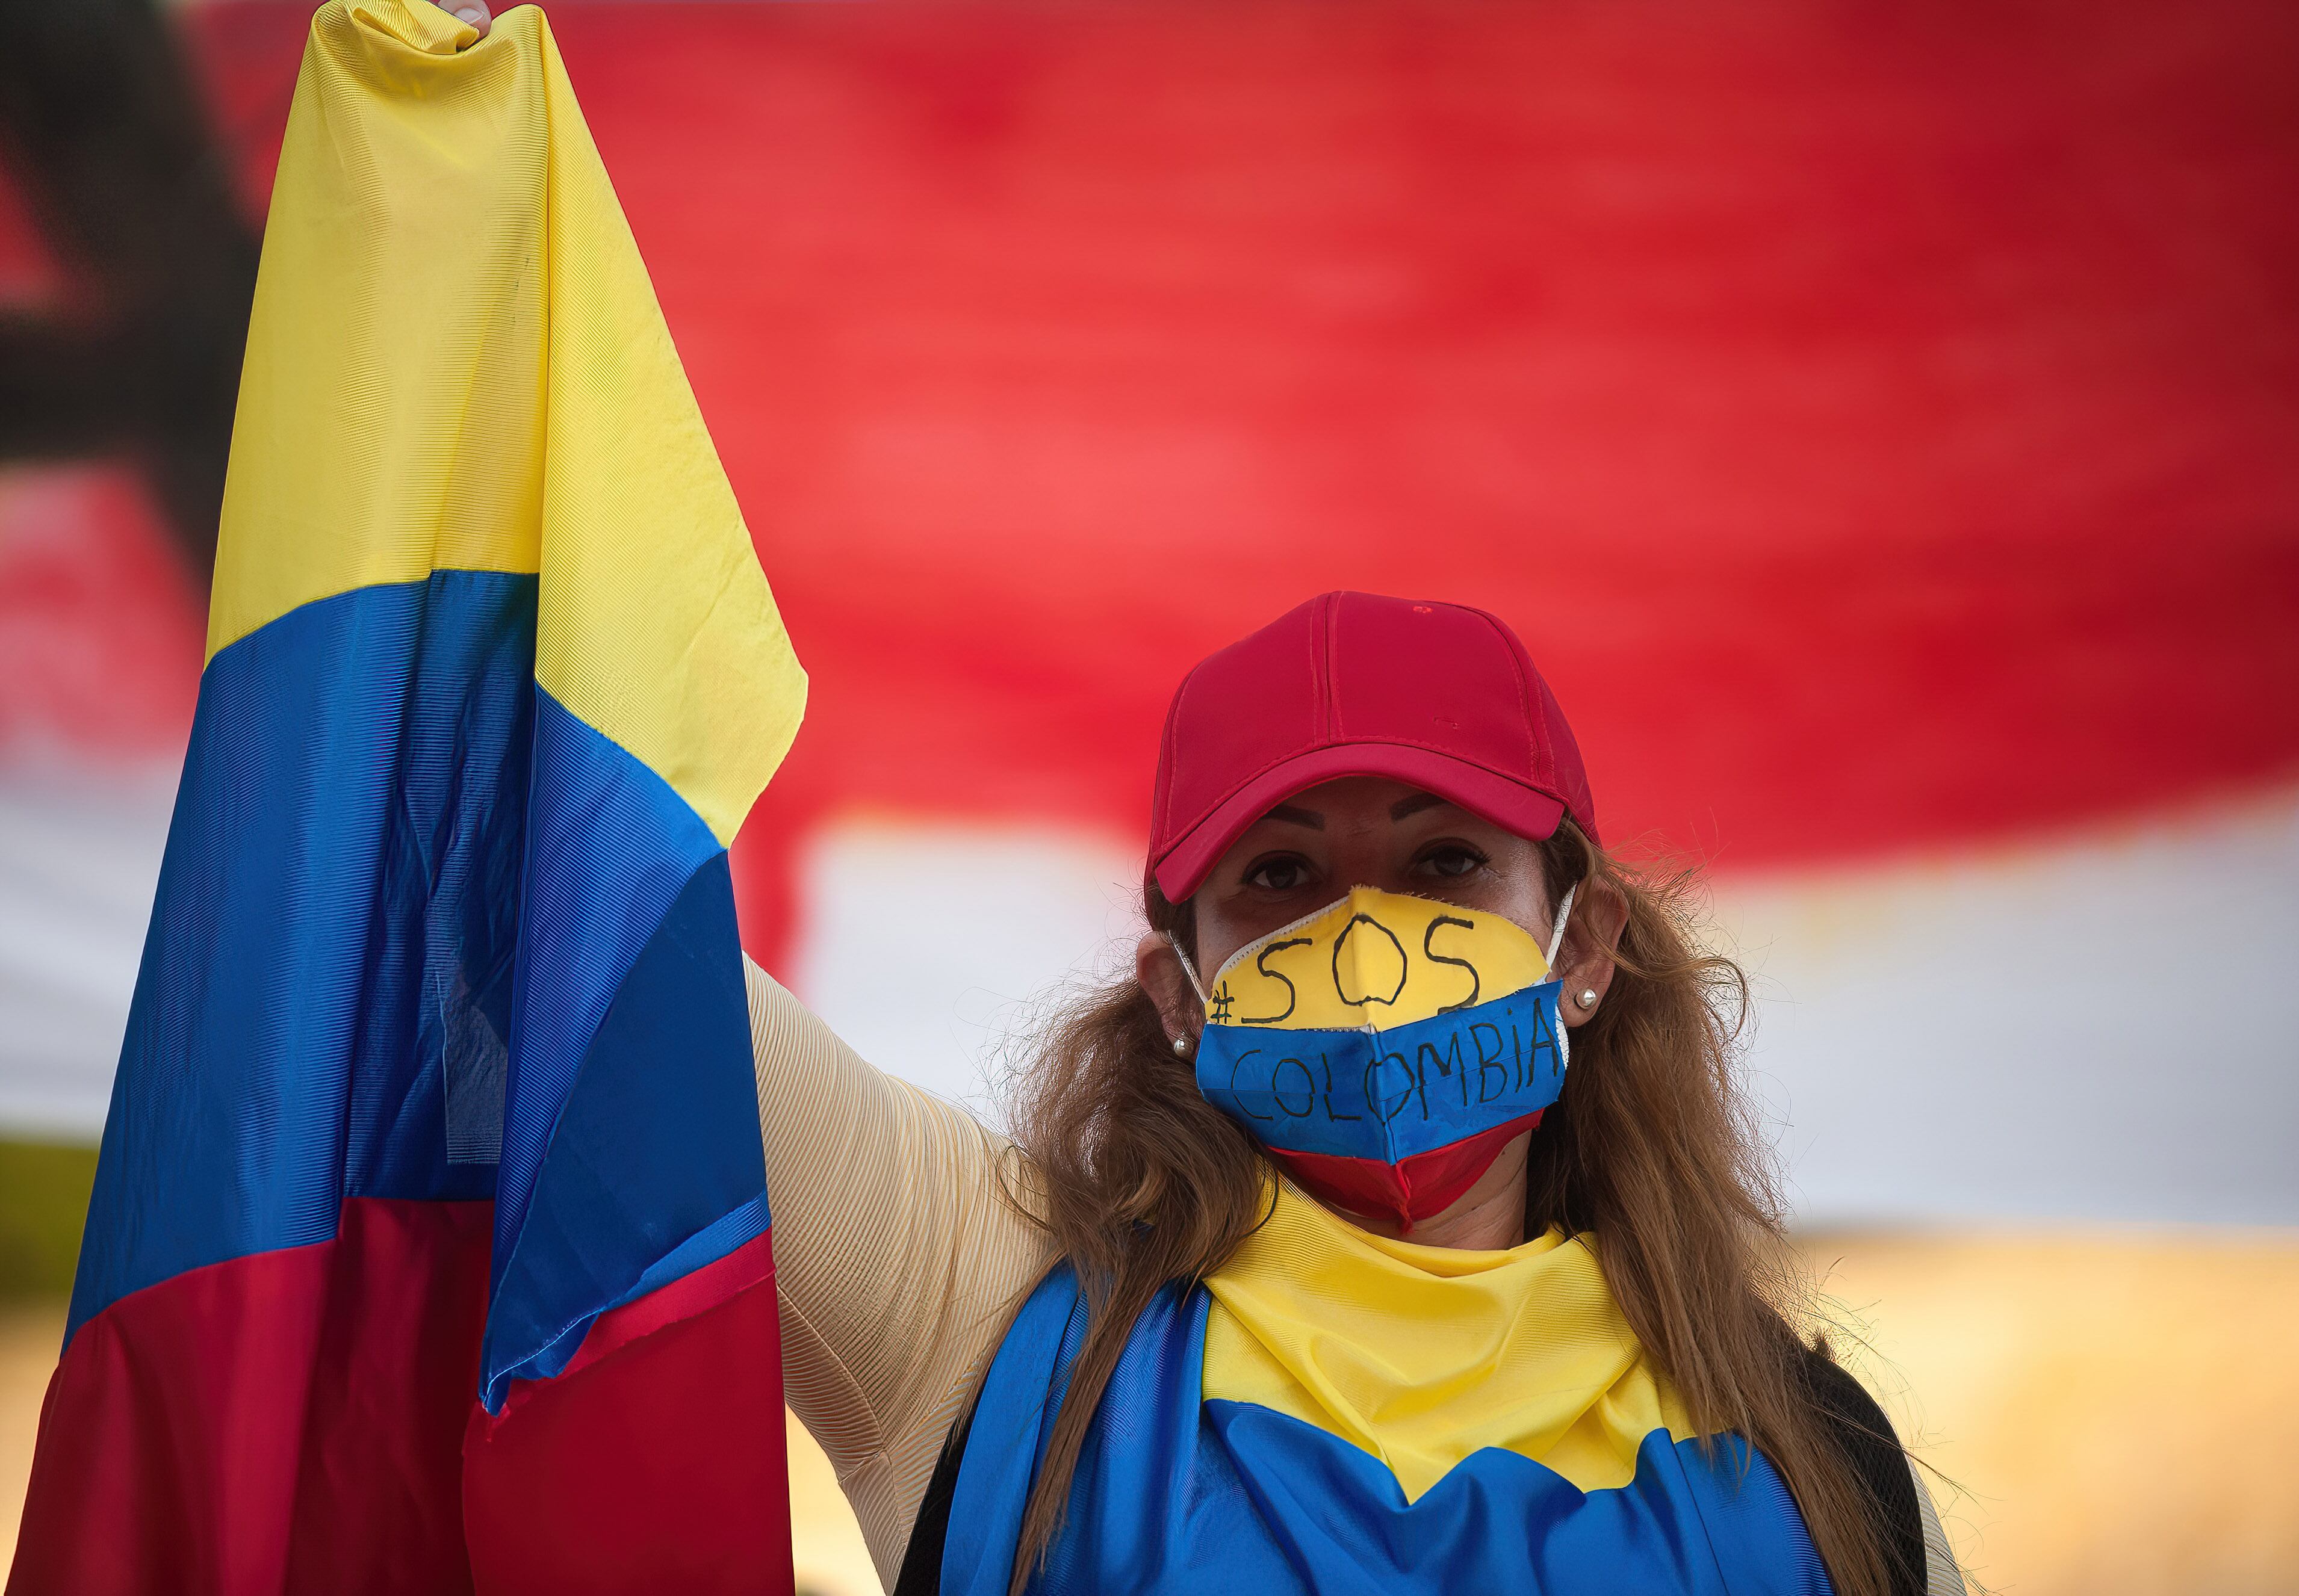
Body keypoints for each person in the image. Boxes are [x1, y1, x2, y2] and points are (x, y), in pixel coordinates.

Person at [440, 16, 1959, 1594]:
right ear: (1174, 985)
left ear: (1583, 947)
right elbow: (562, 902)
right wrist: (449, 177)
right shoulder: (988, 1305)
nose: (1367, 944)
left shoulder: (1821, 1457)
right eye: (1280, 879)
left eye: (1444, 864)